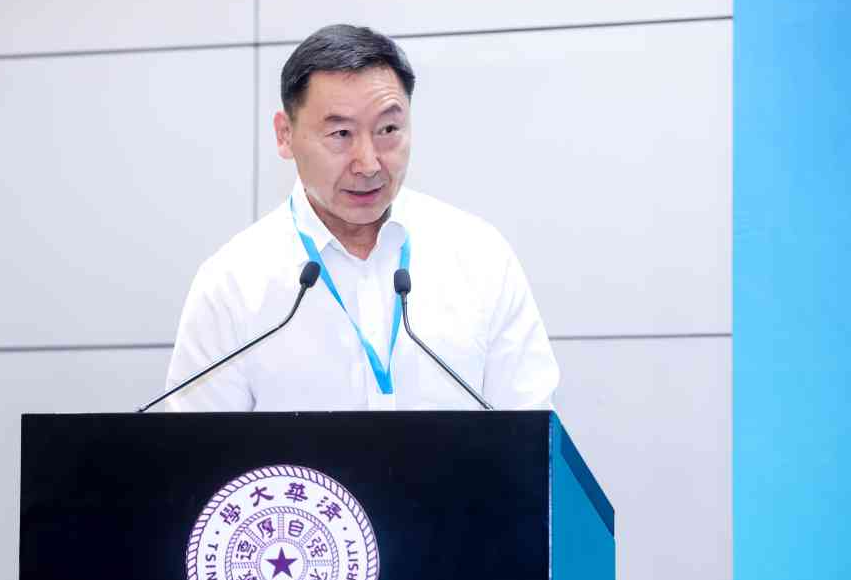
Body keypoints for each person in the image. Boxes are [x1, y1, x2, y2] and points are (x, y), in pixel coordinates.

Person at [166, 24, 558, 412]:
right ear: (285, 134)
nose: (368, 164)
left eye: (388, 129)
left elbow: (532, 430)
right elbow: (200, 447)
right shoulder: (233, 283)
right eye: (340, 134)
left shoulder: (481, 257)